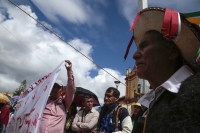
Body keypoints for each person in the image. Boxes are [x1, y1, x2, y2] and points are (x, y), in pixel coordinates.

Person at [125, 7, 200, 133]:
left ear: (172, 52)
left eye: (144, 46)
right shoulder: (147, 103)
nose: (135, 55)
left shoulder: (196, 89)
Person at [39, 60, 76, 133]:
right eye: (53, 87)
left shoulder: (65, 102)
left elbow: (71, 88)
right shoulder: (43, 101)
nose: (55, 89)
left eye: (58, 87)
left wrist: (69, 72)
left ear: (62, 91)